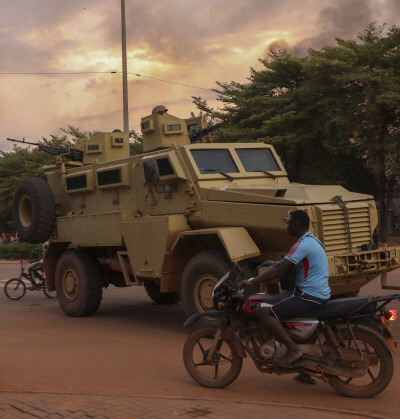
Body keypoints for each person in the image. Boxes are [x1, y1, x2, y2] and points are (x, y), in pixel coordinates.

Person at [239, 209, 330, 369]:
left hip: (307, 294)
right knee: (275, 303)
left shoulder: (302, 244)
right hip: (317, 292)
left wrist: (253, 281)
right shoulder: (312, 240)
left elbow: (280, 269)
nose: (286, 226)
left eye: (288, 223)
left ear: (295, 225)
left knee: (262, 310)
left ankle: (293, 350)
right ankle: (305, 371)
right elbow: (285, 265)